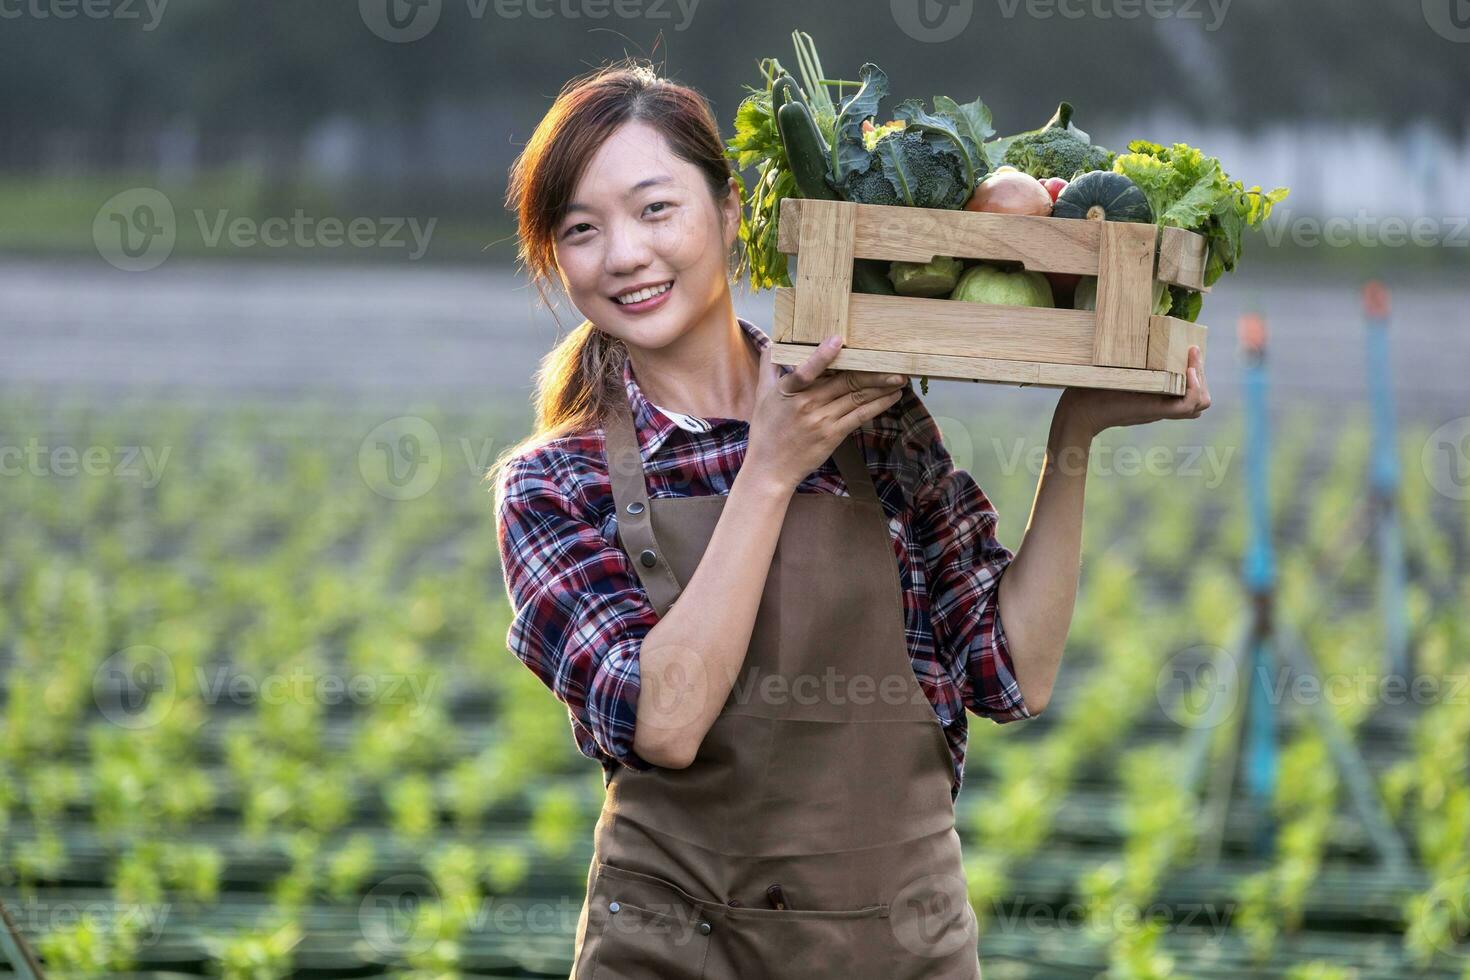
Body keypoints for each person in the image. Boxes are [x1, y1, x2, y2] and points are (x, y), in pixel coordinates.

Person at [490, 59, 1210, 980]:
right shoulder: (554, 487)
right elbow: (663, 722)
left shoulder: (874, 417)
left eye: (654, 209)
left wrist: (1077, 432)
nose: (624, 254)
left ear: (730, 211)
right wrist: (771, 467)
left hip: (900, 948)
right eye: (580, 230)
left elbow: (1010, 671)